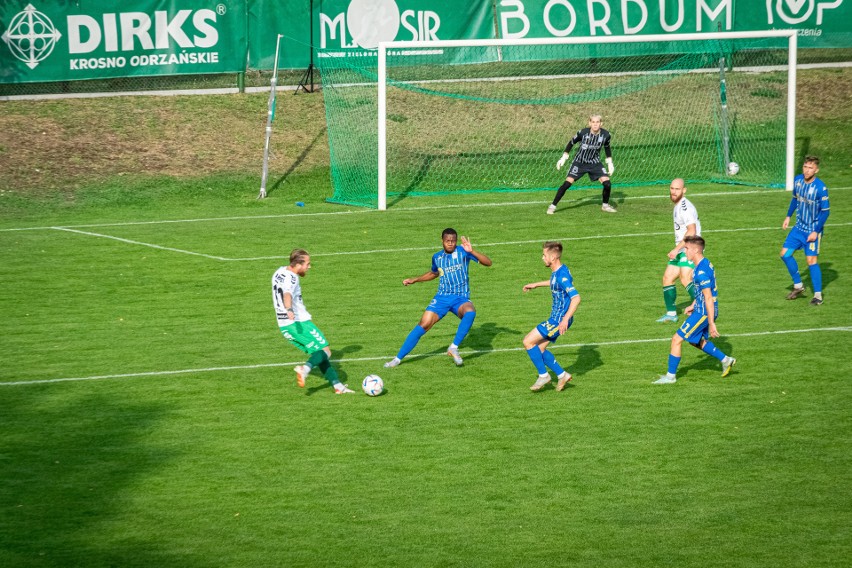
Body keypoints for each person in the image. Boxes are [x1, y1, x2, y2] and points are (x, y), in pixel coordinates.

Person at [384, 228, 492, 368]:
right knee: (423, 325)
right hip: (441, 298)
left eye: (453, 241)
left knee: (470, 312)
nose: (451, 244)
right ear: (442, 241)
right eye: (448, 241)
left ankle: (453, 347)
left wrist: (472, 251)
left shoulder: (463, 251)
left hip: (460, 298)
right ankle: (397, 359)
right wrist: (415, 279)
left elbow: (488, 263)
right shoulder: (437, 257)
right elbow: (434, 273)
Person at [654, 236, 736, 384]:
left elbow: (709, 297)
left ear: (696, 250)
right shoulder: (703, 264)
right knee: (695, 341)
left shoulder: (701, 272)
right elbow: (702, 292)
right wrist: (693, 304)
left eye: (687, 249)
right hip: (701, 308)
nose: (684, 251)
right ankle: (726, 360)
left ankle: (670, 377)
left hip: (704, 311)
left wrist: (711, 322)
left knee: (676, 339)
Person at [272, 249, 354, 394]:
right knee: (326, 351)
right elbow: (287, 294)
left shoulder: (278, 272)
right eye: (307, 264)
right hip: (298, 323)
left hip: (284, 325)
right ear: (298, 264)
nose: (309, 267)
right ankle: (305, 369)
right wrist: (289, 309)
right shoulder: (292, 278)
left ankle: (338, 386)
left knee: (319, 352)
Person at [523, 241, 580, 392]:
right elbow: (554, 282)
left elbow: (576, 298)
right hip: (557, 317)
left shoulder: (562, 276)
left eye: (544, 255)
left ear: (553, 257)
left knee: (528, 342)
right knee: (540, 349)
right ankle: (563, 375)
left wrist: (565, 320)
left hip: (558, 319)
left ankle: (544, 376)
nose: (542, 258)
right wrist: (536, 284)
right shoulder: (559, 271)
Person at [781, 156, 830, 305]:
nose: (807, 170)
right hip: (798, 228)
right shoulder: (798, 181)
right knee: (785, 254)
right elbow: (795, 199)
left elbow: (825, 212)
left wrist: (816, 231)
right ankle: (798, 286)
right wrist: (788, 216)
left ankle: (818, 296)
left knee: (811, 261)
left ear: (816, 170)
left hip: (812, 231)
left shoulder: (821, 188)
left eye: (810, 168)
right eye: (805, 167)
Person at [548, 114, 616, 215]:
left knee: (607, 183)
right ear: (589, 123)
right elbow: (571, 142)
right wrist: (564, 157)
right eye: (593, 122)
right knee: (567, 184)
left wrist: (610, 162)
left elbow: (607, 147)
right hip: (579, 162)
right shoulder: (582, 133)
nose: (595, 124)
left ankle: (605, 206)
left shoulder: (606, 135)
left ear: (601, 123)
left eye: (597, 122)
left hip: (595, 163)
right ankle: (552, 206)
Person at [657, 178, 701, 323]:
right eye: (672, 188)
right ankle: (671, 314)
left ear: (684, 190)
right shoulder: (678, 206)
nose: (674, 192)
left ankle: (704, 305)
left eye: (677, 189)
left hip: (690, 248)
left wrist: (677, 249)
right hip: (683, 247)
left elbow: (692, 230)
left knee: (685, 278)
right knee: (667, 277)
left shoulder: (685, 207)